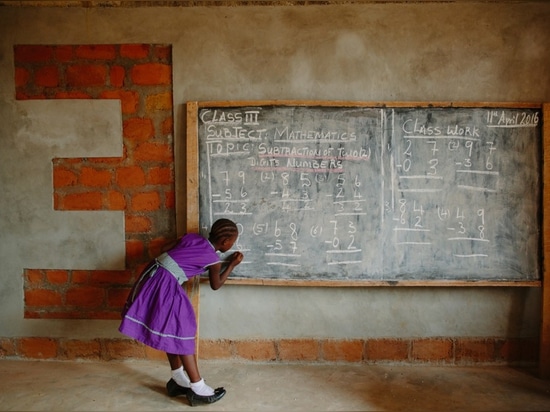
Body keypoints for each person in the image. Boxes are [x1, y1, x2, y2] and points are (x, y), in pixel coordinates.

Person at [119, 218, 244, 406]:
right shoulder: (213, 259)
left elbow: (165, 249)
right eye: (232, 242)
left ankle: (178, 379)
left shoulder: (193, 238)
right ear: (226, 242)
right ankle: (198, 388)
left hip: (153, 273)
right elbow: (216, 284)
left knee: (172, 329)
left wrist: (181, 244)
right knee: (183, 329)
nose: (232, 245)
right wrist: (232, 265)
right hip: (166, 284)